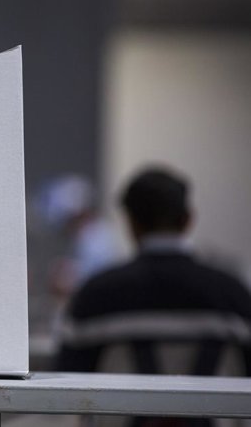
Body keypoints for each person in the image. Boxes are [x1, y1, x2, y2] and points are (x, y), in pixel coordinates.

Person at [56, 167, 251, 426]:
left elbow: (63, 387)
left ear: (131, 223)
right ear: (188, 219)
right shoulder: (233, 296)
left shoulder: (95, 297)